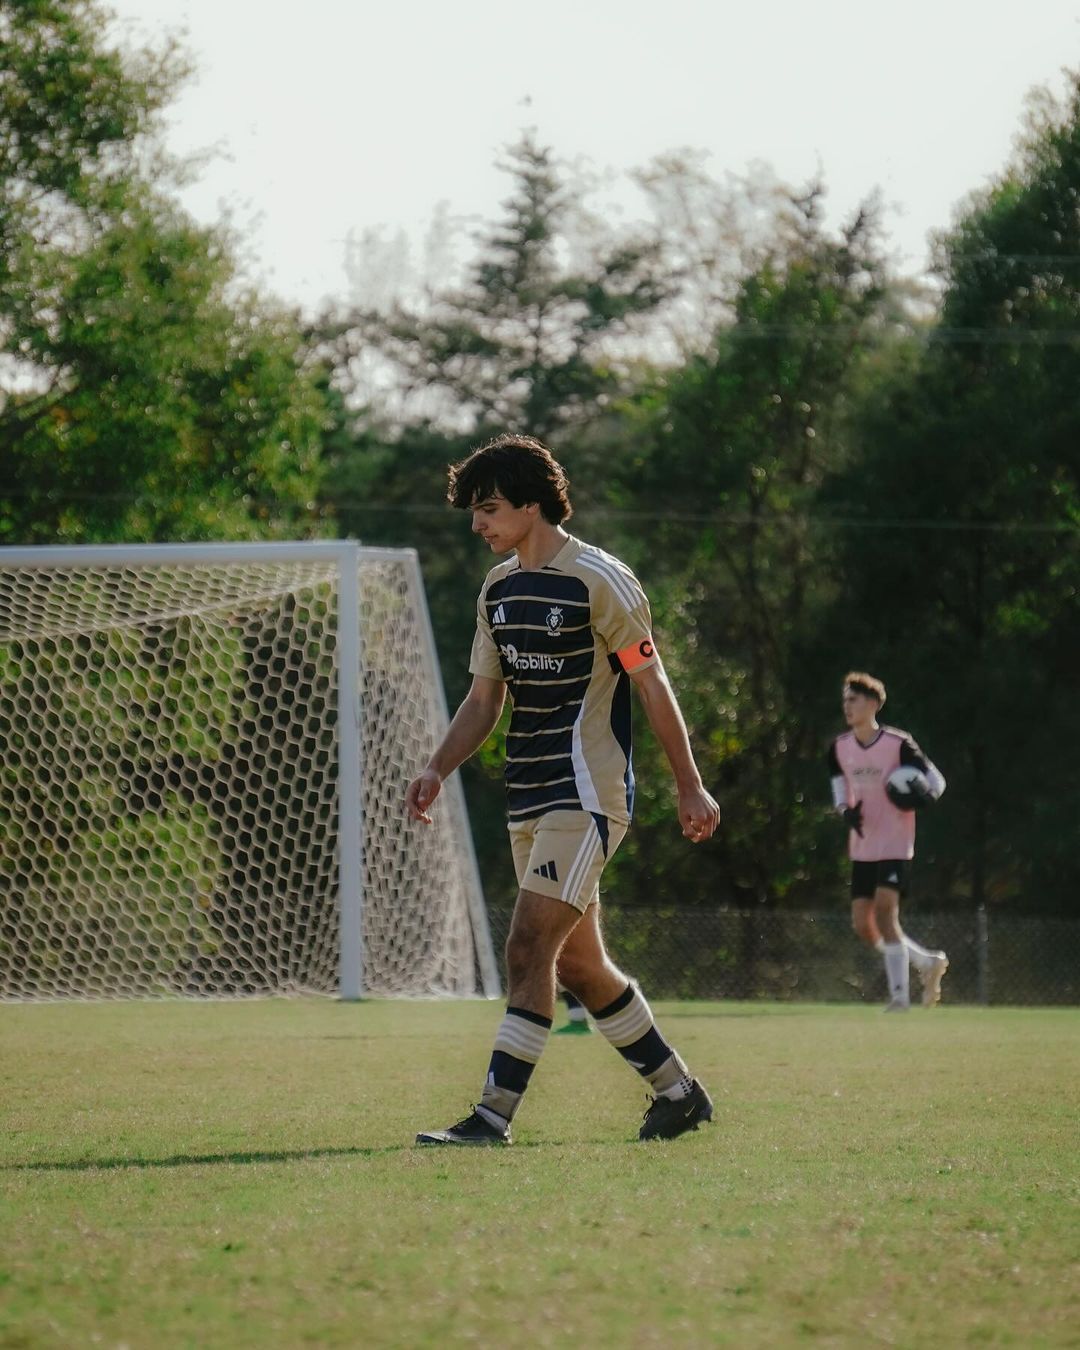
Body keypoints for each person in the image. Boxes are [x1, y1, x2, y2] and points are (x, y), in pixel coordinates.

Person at [406, 433, 721, 1145]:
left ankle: (491, 1117)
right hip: (528, 794)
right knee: (579, 964)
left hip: (586, 795)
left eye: (489, 508)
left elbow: (652, 683)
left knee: (526, 949)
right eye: (473, 511)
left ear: (532, 505)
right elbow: (484, 702)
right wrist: (435, 768)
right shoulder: (497, 589)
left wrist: (690, 785)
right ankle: (679, 1093)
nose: (478, 524)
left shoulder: (600, 580)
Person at [827, 672, 949, 1011]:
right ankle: (926, 962)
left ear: (873, 704)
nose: (847, 706)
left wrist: (925, 797)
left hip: (895, 842)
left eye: (853, 699)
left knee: (884, 913)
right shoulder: (839, 747)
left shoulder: (898, 744)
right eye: (845, 700)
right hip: (863, 844)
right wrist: (844, 811)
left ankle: (899, 999)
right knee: (863, 926)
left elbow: (936, 781)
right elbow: (839, 788)